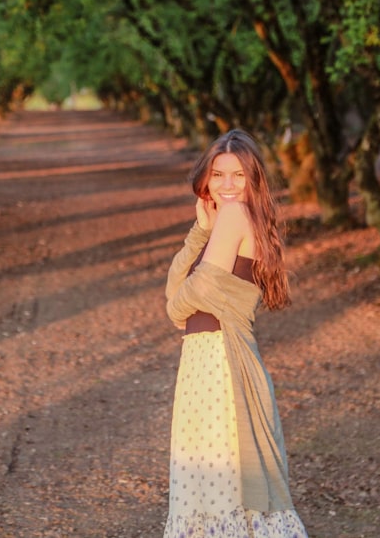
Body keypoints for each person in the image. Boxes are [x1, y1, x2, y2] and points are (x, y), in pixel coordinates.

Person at [163, 128, 308, 538]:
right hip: (211, 358)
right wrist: (200, 232)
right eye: (218, 175)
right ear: (205, 180)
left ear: (253, 179)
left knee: (218, 484)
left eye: (238, 176)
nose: (227, 185)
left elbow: (198, 290)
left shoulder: (234, 216)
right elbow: (180, 285)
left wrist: (177, 310)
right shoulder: (240, 220)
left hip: (217, 364)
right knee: (218, 485)